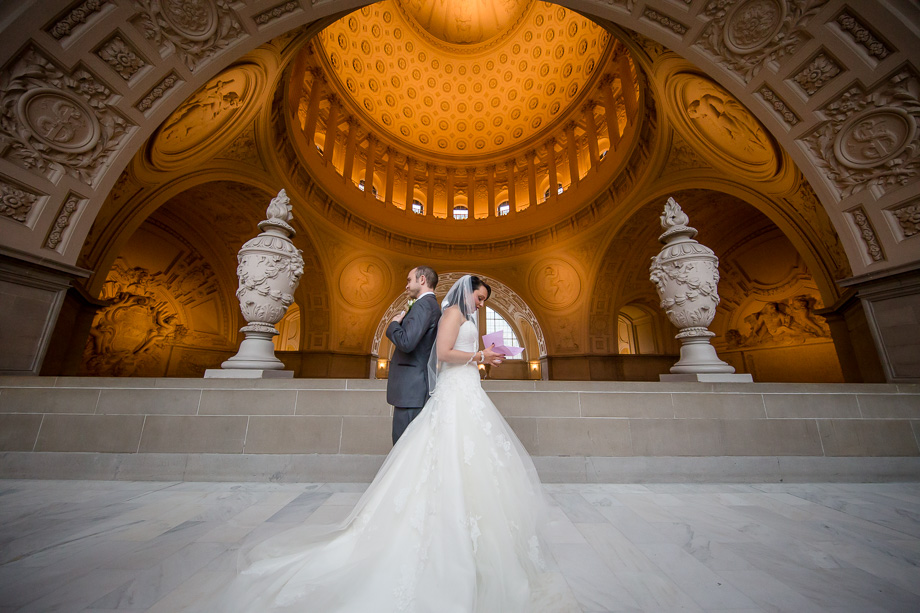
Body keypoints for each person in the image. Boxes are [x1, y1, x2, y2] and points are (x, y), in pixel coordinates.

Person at [196, 275, 553, 612]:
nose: (480, 304)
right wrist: (479, 357)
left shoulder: (464, 315)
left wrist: (486, 358)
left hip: (468, 391)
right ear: (466, 292)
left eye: (485, 301)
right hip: (455, 393)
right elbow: (442, 354)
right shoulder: (451, 313)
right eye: (479, 297)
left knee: (474, 464)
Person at [385, 265, 441, 444]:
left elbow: (407, 342)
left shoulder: (424, 305)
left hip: (412, 389)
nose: (406, 286)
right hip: (412, 389)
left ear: (422, 280)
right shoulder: (427, 305)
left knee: (403, 448)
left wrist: (393, 325)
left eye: (409, 280)